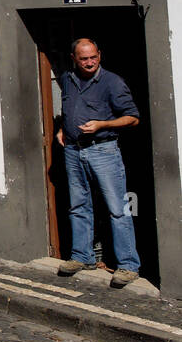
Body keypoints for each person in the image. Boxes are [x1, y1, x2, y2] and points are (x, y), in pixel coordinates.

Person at [56, 37, 142, 288]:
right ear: (74, 59)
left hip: (103, 150)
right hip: (73, 150)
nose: (90, 62)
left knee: (118, 208)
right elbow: (69, 109)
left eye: (94, 57)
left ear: (100, 55)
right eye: (84, 59)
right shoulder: (67, 79)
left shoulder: (112, 82)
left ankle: (128, 265)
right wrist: (63, 128)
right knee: (78, 205)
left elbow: (133, 118)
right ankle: (83, 256)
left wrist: (103, 124)